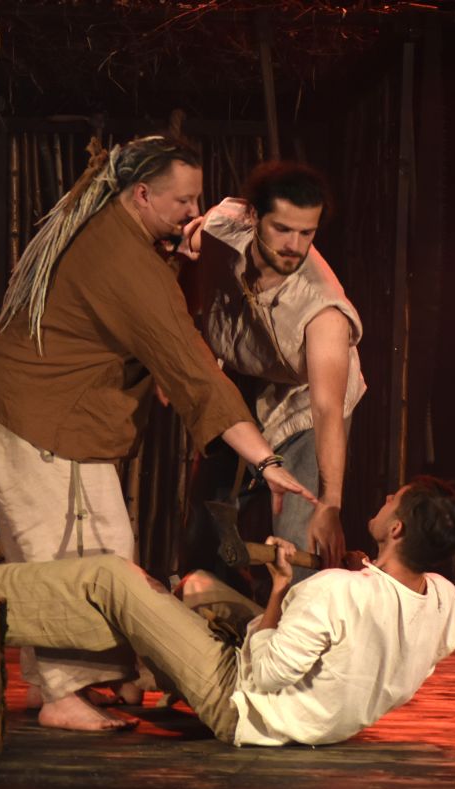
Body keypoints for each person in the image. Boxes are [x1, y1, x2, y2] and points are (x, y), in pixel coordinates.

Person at [0, 135, 314, 732]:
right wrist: (266, 462)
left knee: (104, 549)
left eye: (197, 198)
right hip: (30, 411)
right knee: (58, 557)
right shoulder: (123, 260)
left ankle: (81, 677)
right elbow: (195, 372)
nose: (192, 211)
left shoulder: (127, 233)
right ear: (143, 194)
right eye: (183, 201)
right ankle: (59, 694)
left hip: (57, 413)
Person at [0, 476, 455, 747]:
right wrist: (364, 578)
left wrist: (280, 590)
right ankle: (124, 674)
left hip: (242, 704)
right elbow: (390, 637)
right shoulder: (442, 601)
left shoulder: (335, 592)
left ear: (396, 529)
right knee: (187, 588)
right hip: (324, 722)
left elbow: (264, 673)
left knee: (112, 577)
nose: (383, 500)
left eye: (392, 501)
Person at [183, 162, 365, 578]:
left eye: (306, 233)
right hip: (240, 382)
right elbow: (189, 252)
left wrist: (330, 504)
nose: (294, 246)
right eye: (282, 229)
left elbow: (326, 408)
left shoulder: (323, 310)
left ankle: (294, 613)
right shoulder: (222, 225)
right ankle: (208, 606)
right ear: (254, 217)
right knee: (204, 527)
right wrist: (179, 337)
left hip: (303, 407)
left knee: (297, 536)